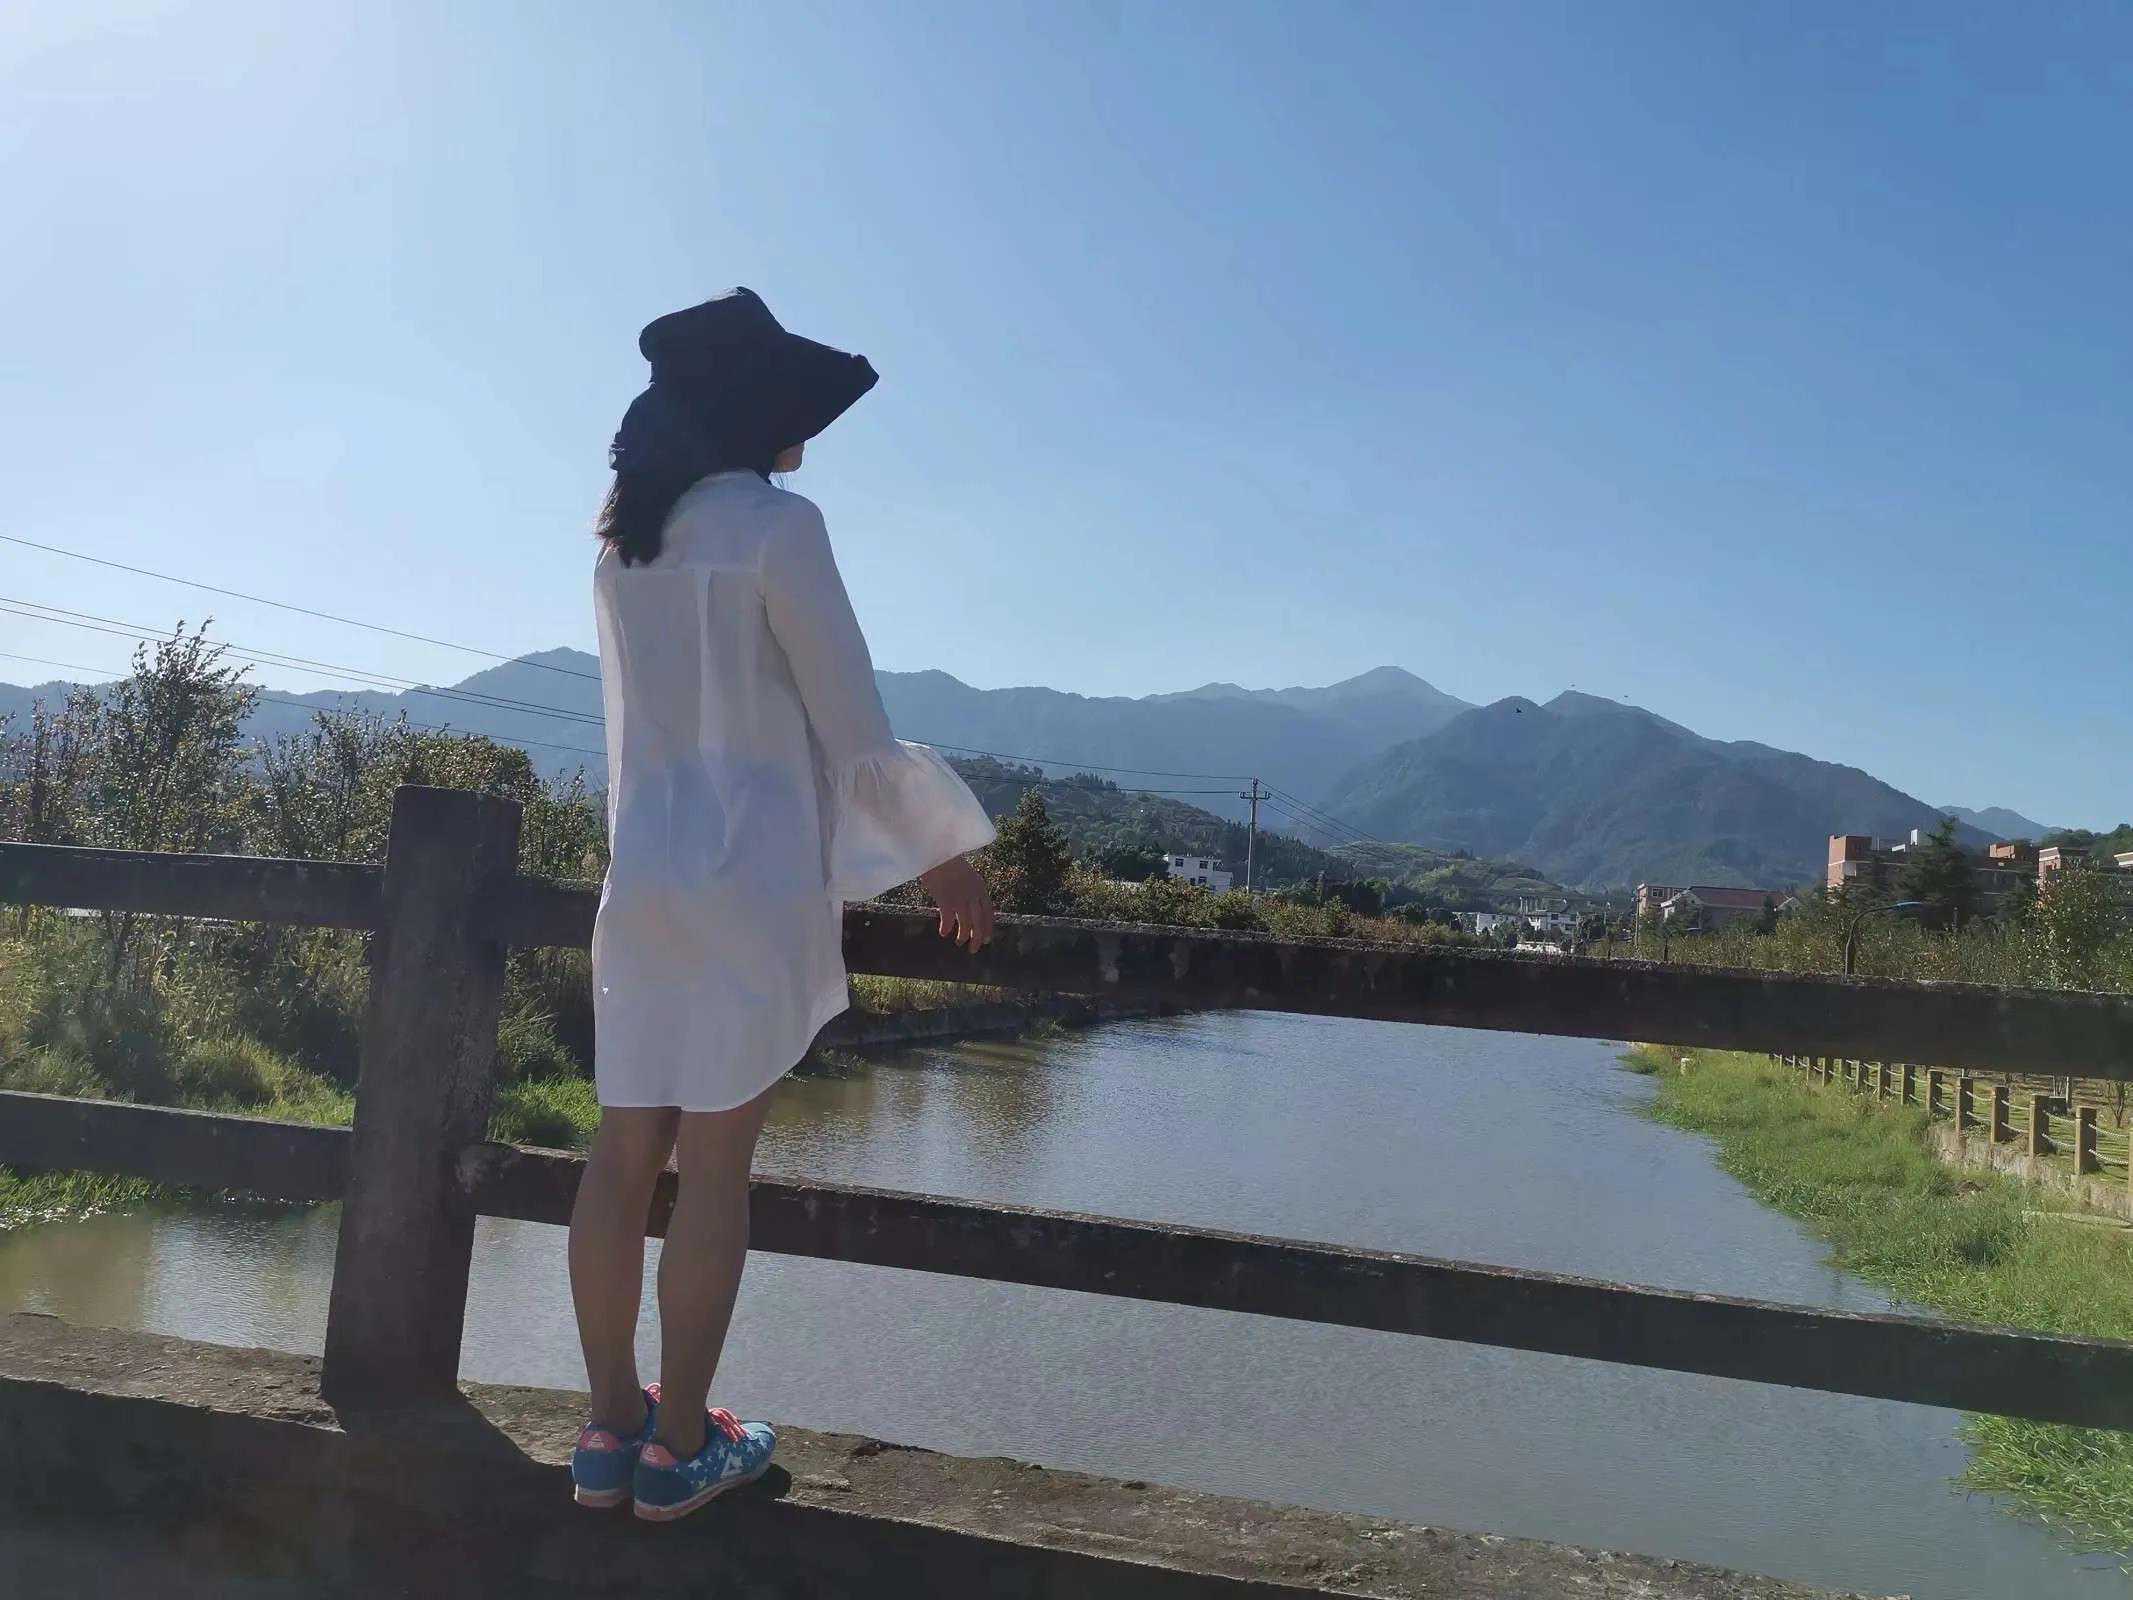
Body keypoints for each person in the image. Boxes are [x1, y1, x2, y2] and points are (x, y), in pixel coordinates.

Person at [566, 288, 997, 1522]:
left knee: (621, 1154)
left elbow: (631, 734)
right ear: (756, 411)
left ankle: (608, 1429)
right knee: (714, 1168)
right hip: (746, 881)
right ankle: (681, 1445)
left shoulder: (624, 549)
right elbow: (851, 722)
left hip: (644, 877)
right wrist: (944, 853)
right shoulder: (779, 529)